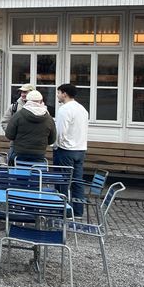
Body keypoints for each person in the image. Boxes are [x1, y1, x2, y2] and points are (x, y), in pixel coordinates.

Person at [54, 83, 89, 216]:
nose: (57, 95)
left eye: (58, 93)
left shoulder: (64, 109)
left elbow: (60, 132)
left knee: (62, 181)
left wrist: (56, 145)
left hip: (65, 150)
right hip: (80, 149)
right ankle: (78, 211)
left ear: (64, 94)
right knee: (77, 182)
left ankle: (62, 210)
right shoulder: (82, 109)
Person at [5, 89, 56, 164]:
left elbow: (9, 135)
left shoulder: (18, 115)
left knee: (15, 168)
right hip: (39, 155)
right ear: (41, 101)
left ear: (27, 101)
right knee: (37, 171)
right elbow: (52, 140)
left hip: (19, 154)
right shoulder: (49, 119)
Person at [1, 83, 35, 164]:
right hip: (15, 144)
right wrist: (12, 135)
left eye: (25, 92)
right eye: (22, 92)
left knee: (30, 168)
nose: (23, 94)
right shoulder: (14, 107)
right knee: (12, 165)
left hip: (33, 145)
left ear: (32, 93)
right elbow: (4, 122)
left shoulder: (39, 107)